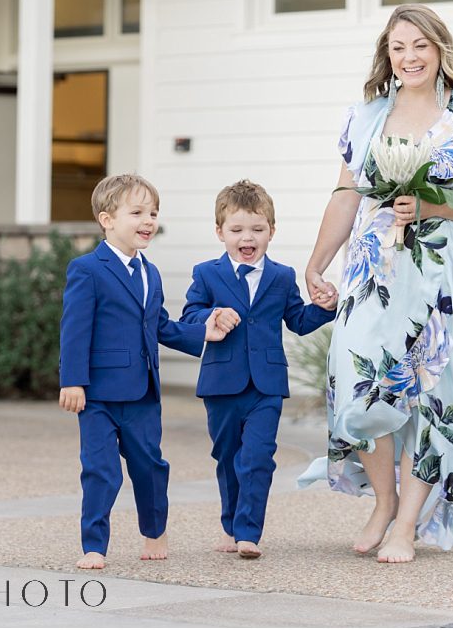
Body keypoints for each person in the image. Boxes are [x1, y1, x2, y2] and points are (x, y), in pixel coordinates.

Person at [299, 4, 453, 563]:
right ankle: (383, 499)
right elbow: (346, 197)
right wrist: (316, 264)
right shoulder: (364, 117)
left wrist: (436, 203)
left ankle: (407, 523)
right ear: (387, 54)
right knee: (359, 387)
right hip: (371, 271)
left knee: (434, 394)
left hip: (442, 275)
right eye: (398, 47)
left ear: (440, 51)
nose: (409, 57)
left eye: (420, 46)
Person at [58, 173, 235, 570]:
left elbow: (158, 326)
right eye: (137, 212)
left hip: (142, 394)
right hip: (99, 394)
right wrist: (72, 380)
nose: (148, 220)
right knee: (100, 470)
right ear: (107, 219)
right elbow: (75, 329)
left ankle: (155, 529)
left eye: (153, 213)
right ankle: (94, 545)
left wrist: (202, 332)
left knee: (149, 467)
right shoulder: (87, 269)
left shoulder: (150, 273)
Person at [182, 180, 337, 559]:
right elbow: (189, 316)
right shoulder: (206, 273)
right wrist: (212, 315)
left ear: (271, 230)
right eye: (236, 230)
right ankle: (231, 524)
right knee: (228, 456)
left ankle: (249, 533)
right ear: (220, 232)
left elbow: (297, 320)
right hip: (221, 382)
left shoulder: (282, 277)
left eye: (257, 229)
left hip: (266, 384)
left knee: (258, 457)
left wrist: (325, 306)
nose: (246, 238)